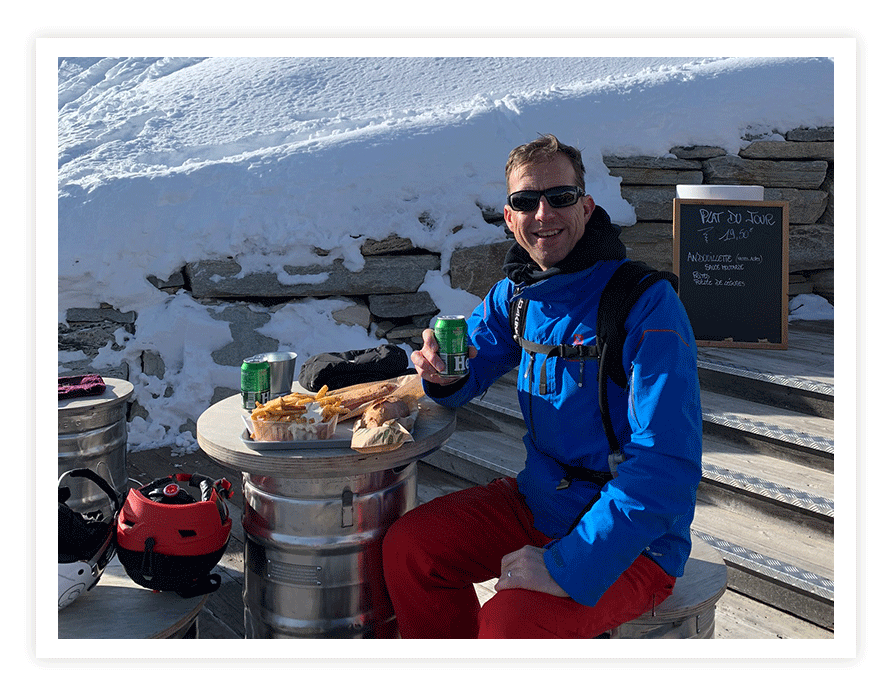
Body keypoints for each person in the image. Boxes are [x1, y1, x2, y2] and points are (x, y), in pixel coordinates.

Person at [382, 134, 703, 638]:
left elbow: (666, 468)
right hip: (541, 500)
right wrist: (445, 376)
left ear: (587, 206)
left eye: (560, 197)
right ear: (509, 218)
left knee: (509, 626)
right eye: (525, 201)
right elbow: (473, 364)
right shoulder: (517, 294)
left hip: (635, 540)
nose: (543, 213)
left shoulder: (645, 304)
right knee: (412, 549)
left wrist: (568, 566)